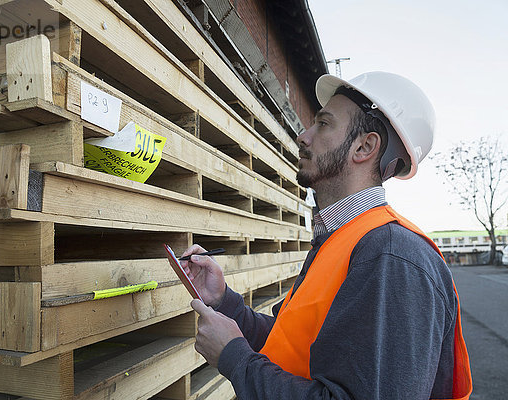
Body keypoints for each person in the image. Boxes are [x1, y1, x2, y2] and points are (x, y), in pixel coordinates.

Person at [180, 72, 472, 399]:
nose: (304, 136)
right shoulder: (340, 241)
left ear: (364, 146)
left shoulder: (392, 256)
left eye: (323, 124)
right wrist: (226, 303)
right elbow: (291, 346)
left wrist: (235, 357)